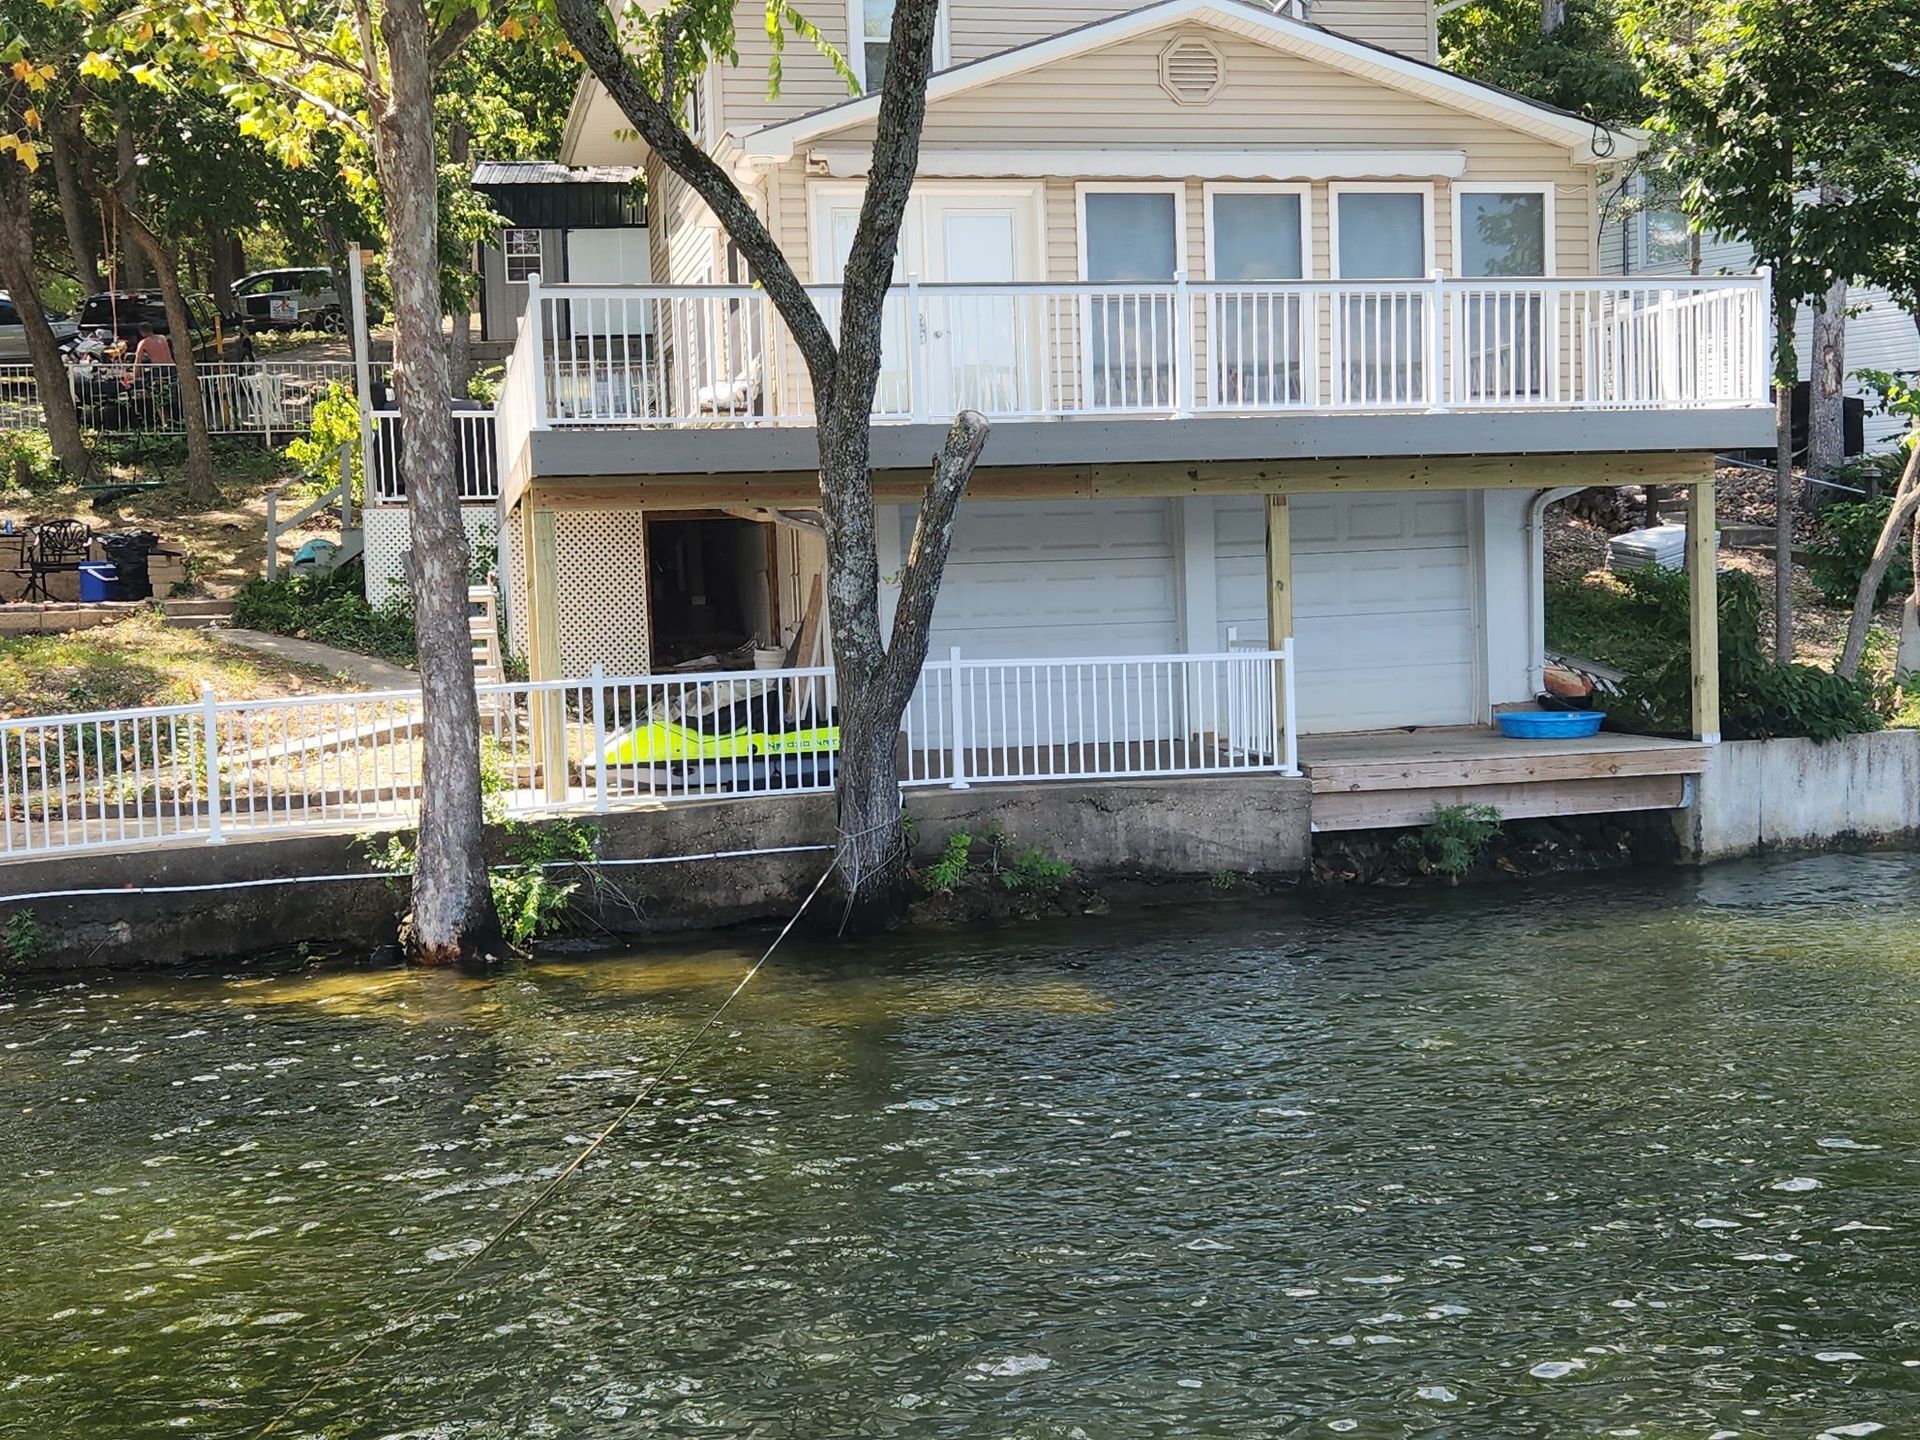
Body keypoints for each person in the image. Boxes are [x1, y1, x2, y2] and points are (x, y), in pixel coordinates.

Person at [124, 321, 174, 389]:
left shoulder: (144, 342)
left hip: (158, 369)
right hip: (171, 367)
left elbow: (138, 361)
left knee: (148, 383)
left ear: (141, 332)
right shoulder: (162, 338)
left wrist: (135, 376)